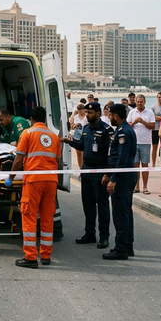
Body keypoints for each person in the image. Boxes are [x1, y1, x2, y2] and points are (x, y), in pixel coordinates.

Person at [7, 106, 61, 268]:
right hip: (51, 181)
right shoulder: (54, 136)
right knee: (46, 217)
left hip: (34, 180)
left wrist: (11, 176)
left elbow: (18, 158)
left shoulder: (27, 133)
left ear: (31, 119)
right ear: (44, 119)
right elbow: (57, 159)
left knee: (29, 216)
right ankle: (45, 255)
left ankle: (30, 257)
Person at [65, 102, 113, 250]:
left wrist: (108, 174)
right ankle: (89, 234)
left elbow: (111, 154)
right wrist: (70, 142)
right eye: (86, 112)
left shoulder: (107, 130)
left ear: (98, 113)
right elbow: (82, 146)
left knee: (102, 205)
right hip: (86, 170)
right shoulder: (85, 128)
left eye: (90, 113)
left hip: (99, 171)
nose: (87, 115)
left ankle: (104, 236)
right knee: (88, 204)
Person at [103, 104, 137, 260]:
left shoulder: (124, 132)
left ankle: (121, 248)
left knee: (120, 213)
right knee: (126, 212)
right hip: (124, 175)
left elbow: (121, 160)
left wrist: (113, 179)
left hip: (123, 177)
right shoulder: (123, 130)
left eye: (110, 115)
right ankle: (127, 246)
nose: (109, 118)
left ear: (116, 116)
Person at [127, 94, 155, 194]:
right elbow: (128, 126)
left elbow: (152, 126)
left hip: (146, 142)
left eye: (141, 102)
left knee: (145, 165)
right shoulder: (132, 112)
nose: (139, 103)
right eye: (138, 101)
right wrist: (134, 122)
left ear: (144, 102)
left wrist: (143, 122)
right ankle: (136, 186)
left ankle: (145, 187)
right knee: (135, 165)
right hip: (134, 143)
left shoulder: (149, 112)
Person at [70, 104, 87, 168]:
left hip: (84, 136)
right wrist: (75, 125)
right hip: (77, 136)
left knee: (83, 154)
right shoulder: (75, 117)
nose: (80, 112)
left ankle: (83, 168)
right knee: (78, 154)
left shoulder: (86, 117)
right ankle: (80, 168)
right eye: (79, 110)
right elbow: (72, 127)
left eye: (81, 110)